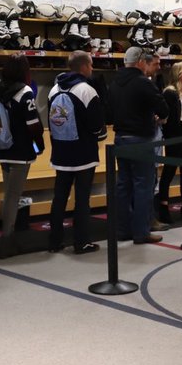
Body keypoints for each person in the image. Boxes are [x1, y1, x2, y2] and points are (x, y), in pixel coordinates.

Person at [47, 51, 106, 254]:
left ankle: (54, 241)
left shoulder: (54, 89)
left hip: (60, 152)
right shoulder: (87, 91)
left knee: (59, 198)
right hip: (84, 154)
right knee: (82, 199)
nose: (92, 69)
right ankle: (81, 242)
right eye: (90, 65)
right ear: (82, 67)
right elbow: (97, 125)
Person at [108, 46, 168, 244]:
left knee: (123, 186)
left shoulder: (115, 82)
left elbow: (108, 113)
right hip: (141, 139)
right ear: (141, 62)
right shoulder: (143, 82)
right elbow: (163, 108)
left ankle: (122, 230)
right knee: (143, 186)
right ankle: (141, 232)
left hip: (120, 138)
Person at [0, 53, 45, 257]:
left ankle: (8, 236)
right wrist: (40, 144)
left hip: (1, 149)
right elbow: (33, 124)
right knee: (13, 196)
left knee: (9, 193)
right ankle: (7, 240)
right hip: (20, 151)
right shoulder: (25, 92)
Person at [156, 61, 182, 223]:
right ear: (179, 74)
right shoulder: (170, 93)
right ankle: (163, 208)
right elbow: (170, 117)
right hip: (175, 136)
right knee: (170, 171)